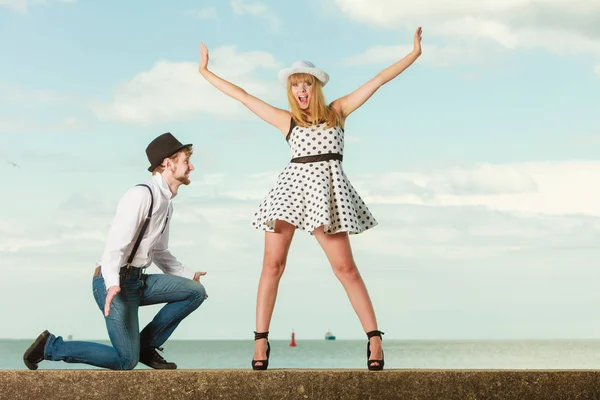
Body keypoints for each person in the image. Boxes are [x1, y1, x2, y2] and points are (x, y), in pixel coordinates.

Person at [198, 28, 422, 370]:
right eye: (294, 84)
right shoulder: (287, 121)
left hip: (326, 194)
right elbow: (243, 96)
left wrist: (414, 53)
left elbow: (377, 80)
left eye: (305, 83)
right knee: (272, 266)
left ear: (316, 86)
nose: (300, 90)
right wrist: (205, 72)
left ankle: (374, 339)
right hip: (289, 192)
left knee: (346, 268)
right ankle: (260, 344)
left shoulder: (338, 112)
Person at [23, 132, 208, 370]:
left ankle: (146, 347)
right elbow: (114, 247)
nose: (191, 167)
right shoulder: (141, 195)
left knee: (195, 292)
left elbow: (160, 251)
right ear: (167, 163)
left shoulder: (166, 205)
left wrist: (187, 274)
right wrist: (112, 283)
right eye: (186, 161)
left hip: (138, 280)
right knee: (126, 361)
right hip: (113, 281)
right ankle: (51, 346)